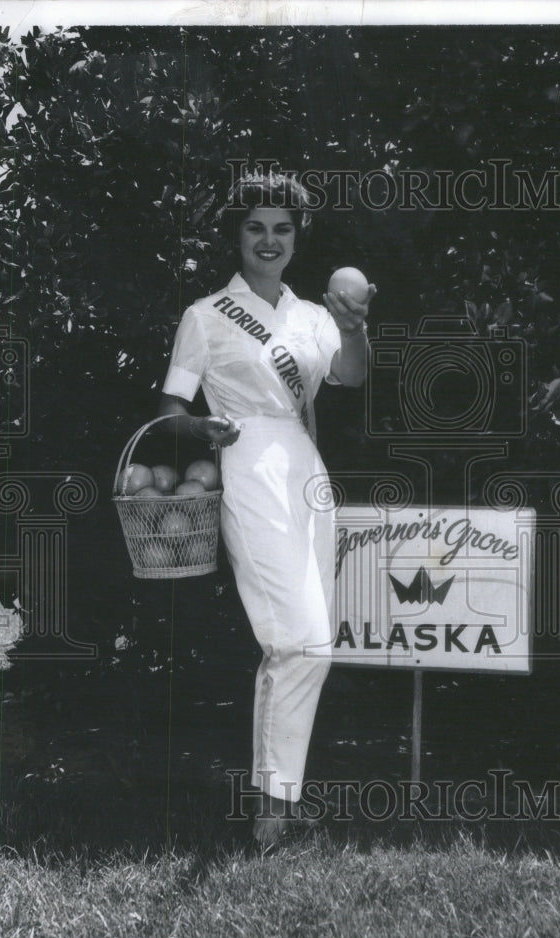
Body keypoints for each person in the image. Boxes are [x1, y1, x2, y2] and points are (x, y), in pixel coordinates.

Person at [157, 171, 375, 846]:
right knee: (298, 639)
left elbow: (351, 375)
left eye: (282, 228)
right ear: (237, 235)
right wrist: (200, 431)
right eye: (256, 227)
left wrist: (354, 324)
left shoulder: (313, 315)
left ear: (296, 237)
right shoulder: (207, 315)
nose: (269, 240)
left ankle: (278, 800)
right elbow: (170, 411)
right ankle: (272, 814)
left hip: (308, 470)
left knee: (314, 643)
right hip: (246, 461)